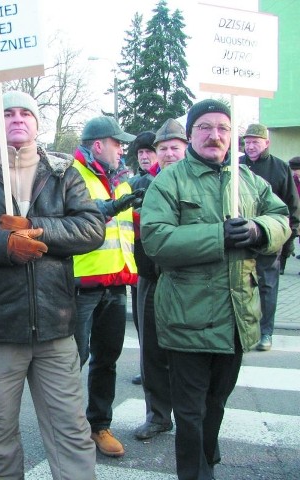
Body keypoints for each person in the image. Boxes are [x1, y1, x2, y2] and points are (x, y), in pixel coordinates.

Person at [0, 90, 104, 480]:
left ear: (36, 124)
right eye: (6, 114)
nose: (16, 119)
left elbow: (92, 228)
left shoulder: (64, 172)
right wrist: (4, 245)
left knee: (72, 432)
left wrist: (36, 229)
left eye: (24, 113)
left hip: (56, 326)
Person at [141, 99, 291, 480]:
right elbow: (156, 240)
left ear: (233, 137)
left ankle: (207, 457)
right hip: (188, 316)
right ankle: (196, 472)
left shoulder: (250, 181)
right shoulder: (169, 180)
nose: (215, 135)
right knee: (190, 413)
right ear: (191, 134)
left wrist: (260, 231)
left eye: (223, 128)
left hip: (237, 315)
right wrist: (217, 236)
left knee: (217, 404)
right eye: (205, 127)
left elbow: (281, 217)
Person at [71, 115, 142, 457]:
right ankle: (68, 429)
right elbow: (74, 217)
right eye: (118, 143)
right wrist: (113, 207)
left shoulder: (124, 181)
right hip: (80, 286)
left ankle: (99, 426)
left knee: (107, 359)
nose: (123, 149)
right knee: (72, 361)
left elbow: (131, 230)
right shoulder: (71, 174)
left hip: (116, 284)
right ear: (98, 145)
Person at [131, 118, 187, 441]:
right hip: (148, 278)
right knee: (149, 350)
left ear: (185, 148)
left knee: (184, 352)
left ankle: (191, 416)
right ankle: (158, 415)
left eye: (174, 148)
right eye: (162, 148)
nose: (168, 154)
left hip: (184, 278)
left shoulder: (194, 182)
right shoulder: (141, 185)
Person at [240, 123, 300, 350]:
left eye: (255, 141)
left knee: (267, 286)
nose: (251, 146)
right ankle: (246, 331)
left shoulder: (279, 168)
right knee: (241, 285)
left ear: (267, 143)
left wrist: (288, 240)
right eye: (247, 142)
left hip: (270, 238)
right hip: (242, 237)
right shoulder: (235, 166)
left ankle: (266, 333)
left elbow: (292, 206)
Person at [128, 130, 157, 386]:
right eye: (141, 153)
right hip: (139, 263)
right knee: (142, 322)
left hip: (159, 260)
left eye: (149, 152)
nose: (145, 157)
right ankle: (145, 367)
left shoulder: (158, 180)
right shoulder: (133, 183)